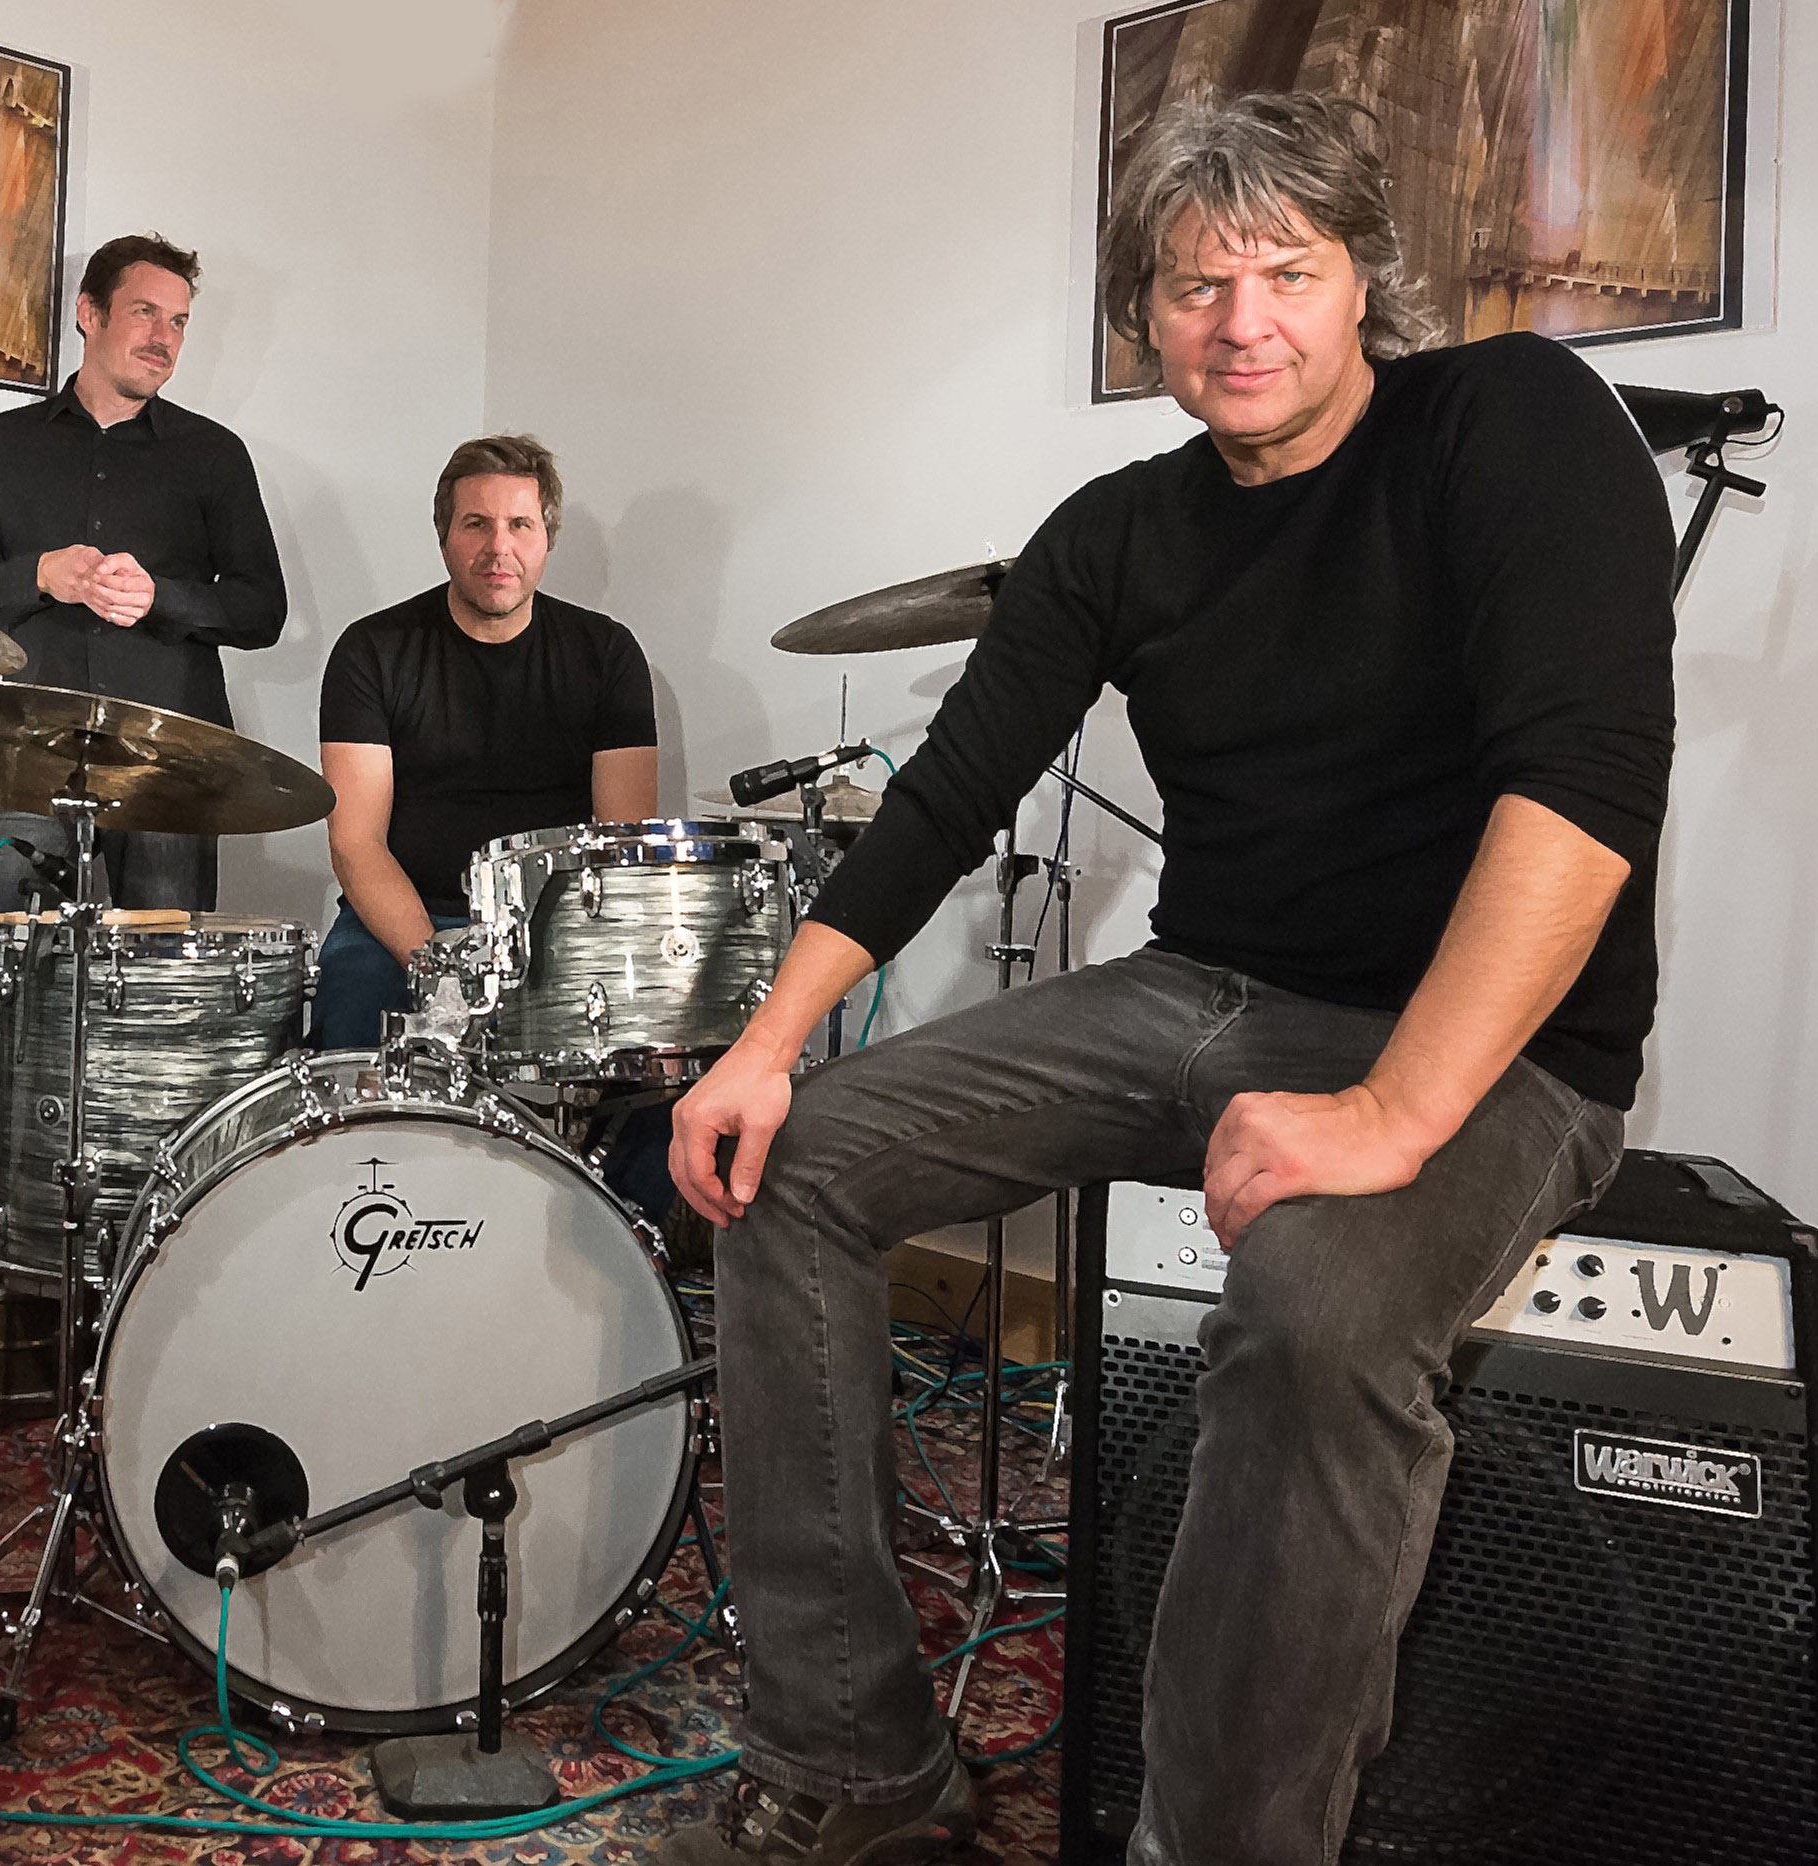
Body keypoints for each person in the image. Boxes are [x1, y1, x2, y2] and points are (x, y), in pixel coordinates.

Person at [661, 93, 1674, 1866]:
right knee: (791, 1164)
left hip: (1490, 1044)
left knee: (1316, 1315)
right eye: (1198, 284)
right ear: (1146, 313)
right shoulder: (1119, 530)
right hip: (1202, 986)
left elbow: (1580, 791)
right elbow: (948, 795)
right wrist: (764, 1043)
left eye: (1287, 269)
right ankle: (854, 1767)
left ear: (1364, 278)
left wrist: (1390, 1108)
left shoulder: (1510, 419)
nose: (1242, 321)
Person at [0, 232, 287, 1201]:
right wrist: (39, 575)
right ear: (88, 313)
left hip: (167, 776)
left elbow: (260, 609)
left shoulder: (213, 456)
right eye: (145, 312)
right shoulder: (0, 445)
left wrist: (165, 597)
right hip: (22, 766)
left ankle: (143, 1235)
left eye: (179, 322)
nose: (164, 337)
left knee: (159, 1015)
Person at [314, 434, 657, 1048]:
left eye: (520, 525)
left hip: (555, 923)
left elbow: (620, 844)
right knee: (351, 997)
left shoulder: (608, 654)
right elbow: (356, 844)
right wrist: (438, 969)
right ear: (444, 536)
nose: (499, 548)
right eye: (476, 524)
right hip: (408, 919)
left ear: (547, 539)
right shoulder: (371, 651)